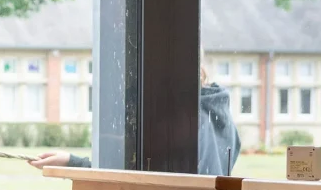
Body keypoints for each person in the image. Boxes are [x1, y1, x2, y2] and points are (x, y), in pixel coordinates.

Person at [29, 63, 242, 175]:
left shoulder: (182, 122)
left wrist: (73, 162)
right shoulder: (220, 118)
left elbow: (140, 177)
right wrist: (70, 162)